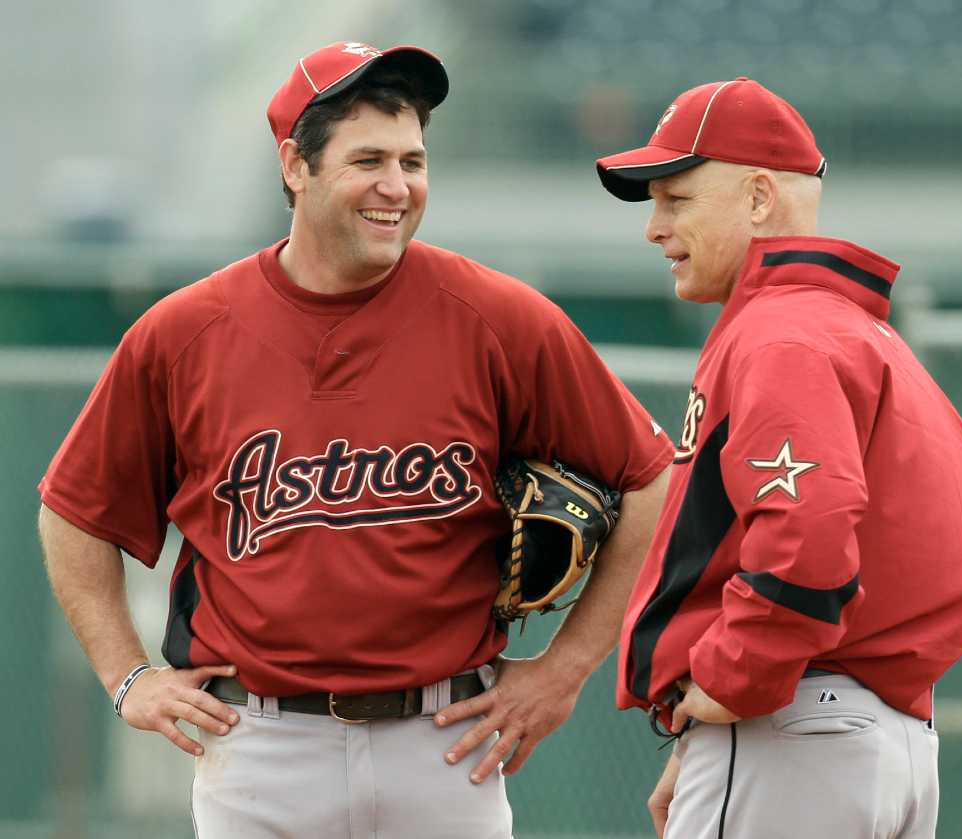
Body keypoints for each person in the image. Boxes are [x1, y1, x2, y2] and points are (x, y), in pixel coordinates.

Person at [38, 41, 673, 839]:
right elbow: (74, 511)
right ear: (294, 166)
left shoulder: (497, 318)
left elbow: (653, 478)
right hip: (260, 744)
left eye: (413, 160)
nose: (397, 186)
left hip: (446, 741)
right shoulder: (185, 333)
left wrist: (565, 668)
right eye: (368, 158)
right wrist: (127, 676)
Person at [595, 77, 962, 839]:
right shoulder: (869, 338)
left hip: (795, 727)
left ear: (760, 198)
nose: (654, 227)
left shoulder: (780, 333)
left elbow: (810, 530)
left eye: (676, 199)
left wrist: (735, 684)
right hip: (881, 739)